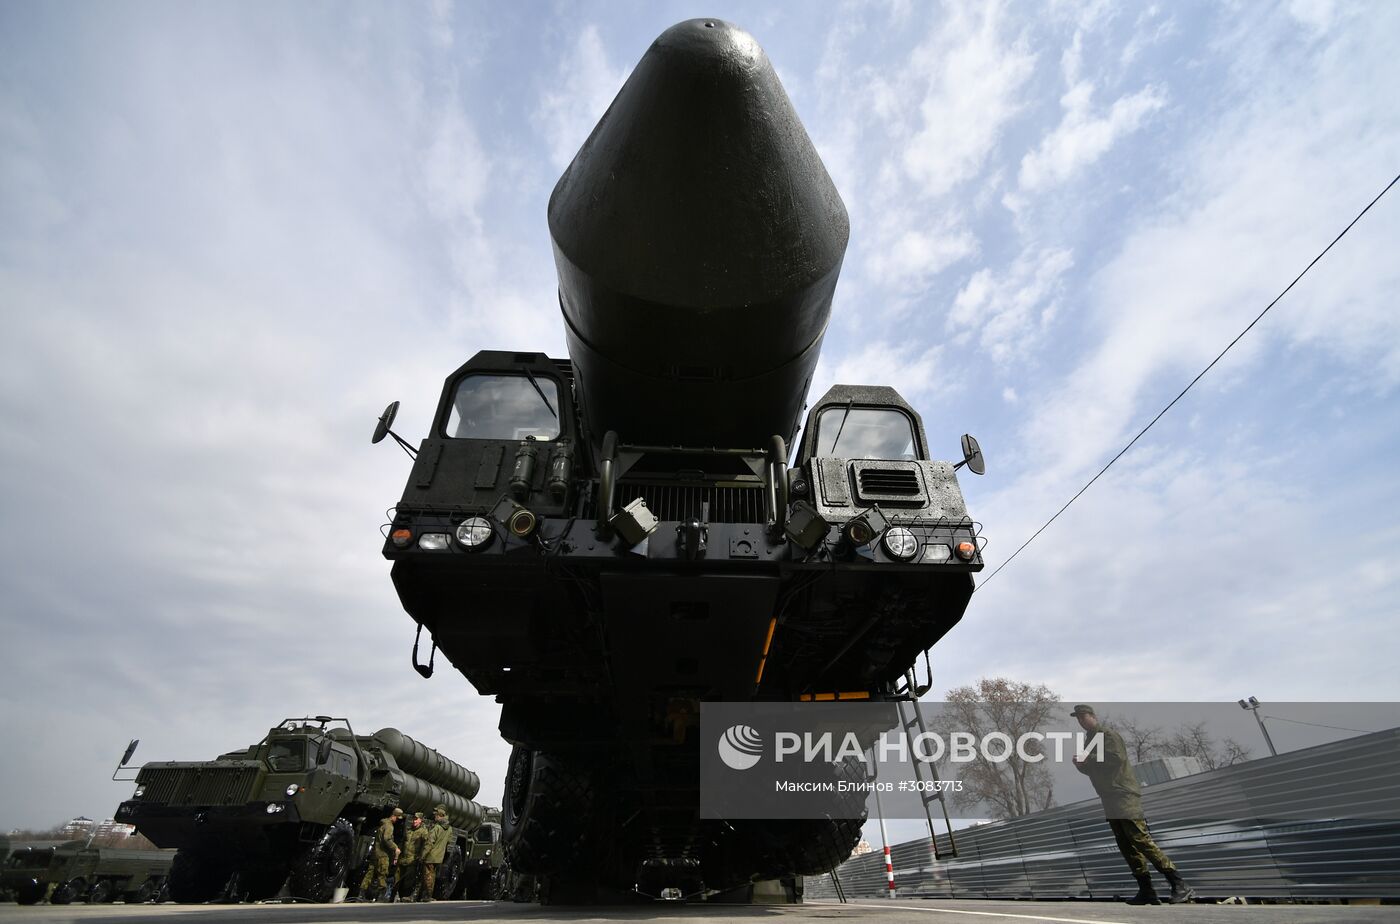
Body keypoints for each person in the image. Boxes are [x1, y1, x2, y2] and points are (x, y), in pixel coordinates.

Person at [1071, 704, 1195, 905]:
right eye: (1078, 718)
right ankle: (1146, 890)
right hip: (1109, 796)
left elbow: (1116, 759)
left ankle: (1179, 883)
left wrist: (1089, 758)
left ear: (1093, 716)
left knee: (1139, 838)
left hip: (1123, 794)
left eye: (1084, 717)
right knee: (1125, 843)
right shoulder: (1090, 740)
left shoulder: (1107, 735)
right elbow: (1096, 769)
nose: (1081, 721)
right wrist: (1081, 766)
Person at [358, 807, 402, 901]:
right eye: (397, 818)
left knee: (370, 873)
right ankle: (381, 896)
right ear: (394, 816)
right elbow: (387, 839)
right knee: (382, 874)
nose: (397, 821)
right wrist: (396, 848)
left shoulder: (383, 823)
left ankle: (361, 894)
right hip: (383, 854)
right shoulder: (389, 826)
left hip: (375, 853)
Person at [418, 805, 451, 901]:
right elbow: (448, 841)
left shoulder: (436, 828)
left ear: (440, 816)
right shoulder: (449, 828)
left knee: (428, 876)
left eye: (436, 815)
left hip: (431, 856)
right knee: (432, 875)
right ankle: (429, 895)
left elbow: (429, 843)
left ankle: (426, 896)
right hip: (439, 857)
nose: (435, 817)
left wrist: (423, 855)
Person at [397, 812, 428, 901]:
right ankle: (397, 896)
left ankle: (405, 896)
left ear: (421, 820)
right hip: (403, 858)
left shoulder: (423, 832)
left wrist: (421, 857)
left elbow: (425, 845)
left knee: (409, 880)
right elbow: (403, 842)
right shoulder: (409, 830)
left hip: (413, 859)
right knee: (398, 879)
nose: (414, 821)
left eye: (416, 819)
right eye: (414, 819)